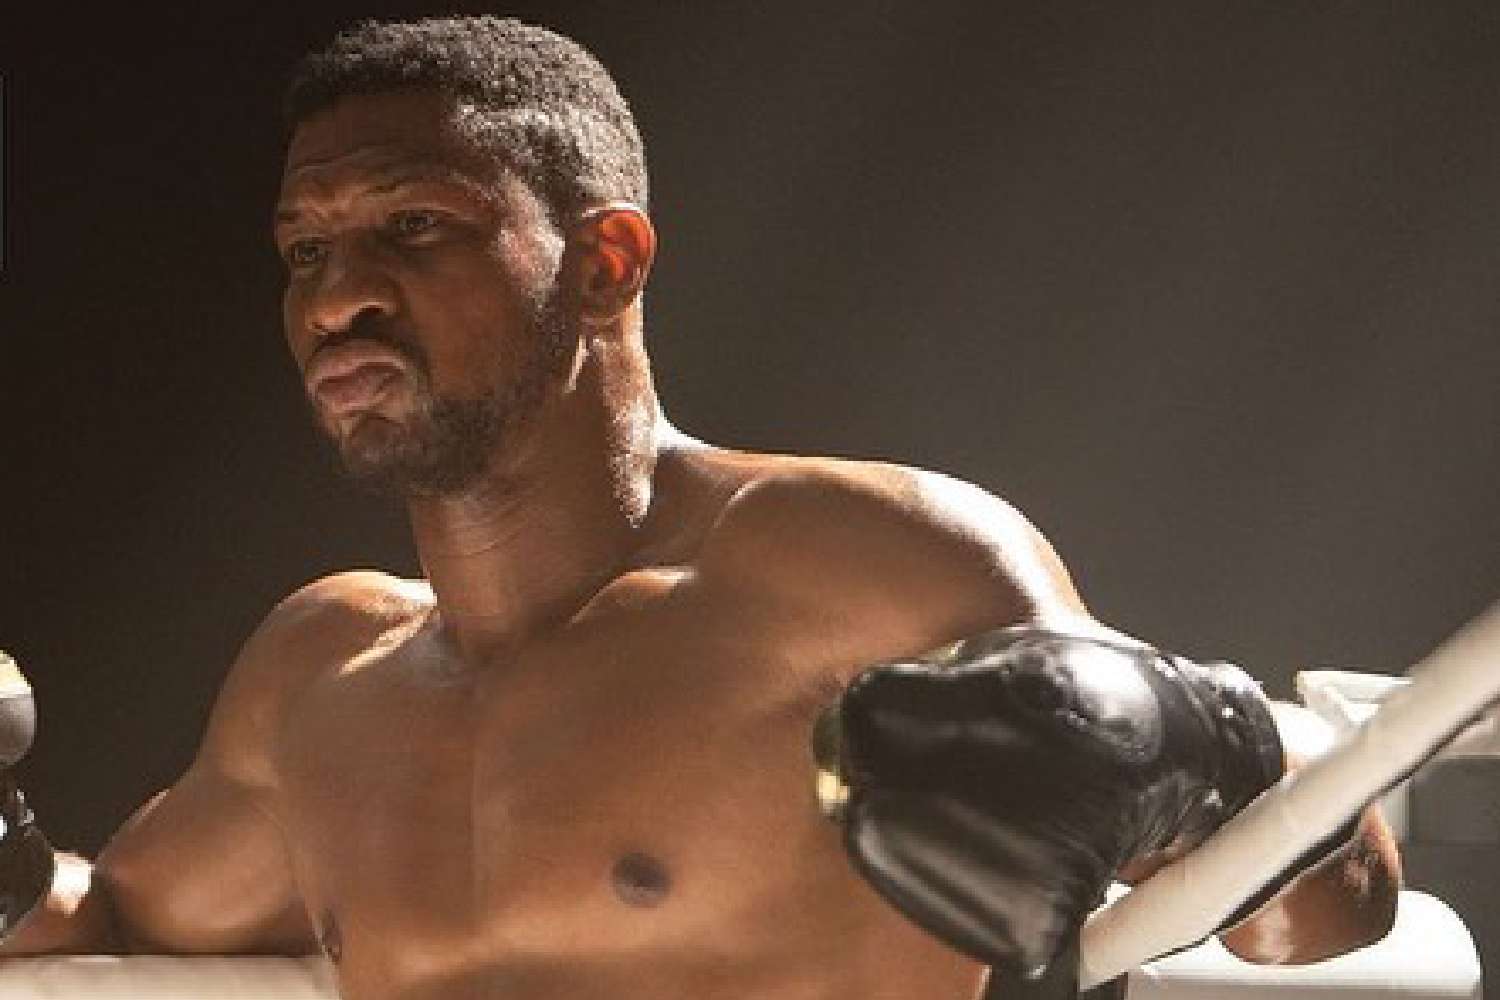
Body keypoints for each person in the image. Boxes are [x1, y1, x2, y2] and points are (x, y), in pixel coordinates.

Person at [0, 16, 1400, 1000]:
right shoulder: (320, 676)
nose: (336, 297)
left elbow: (1325, 914)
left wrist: (1201, 747)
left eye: (413, 225)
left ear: (604, 260)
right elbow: (102, 923)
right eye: (305, 249)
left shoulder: (843, 569)